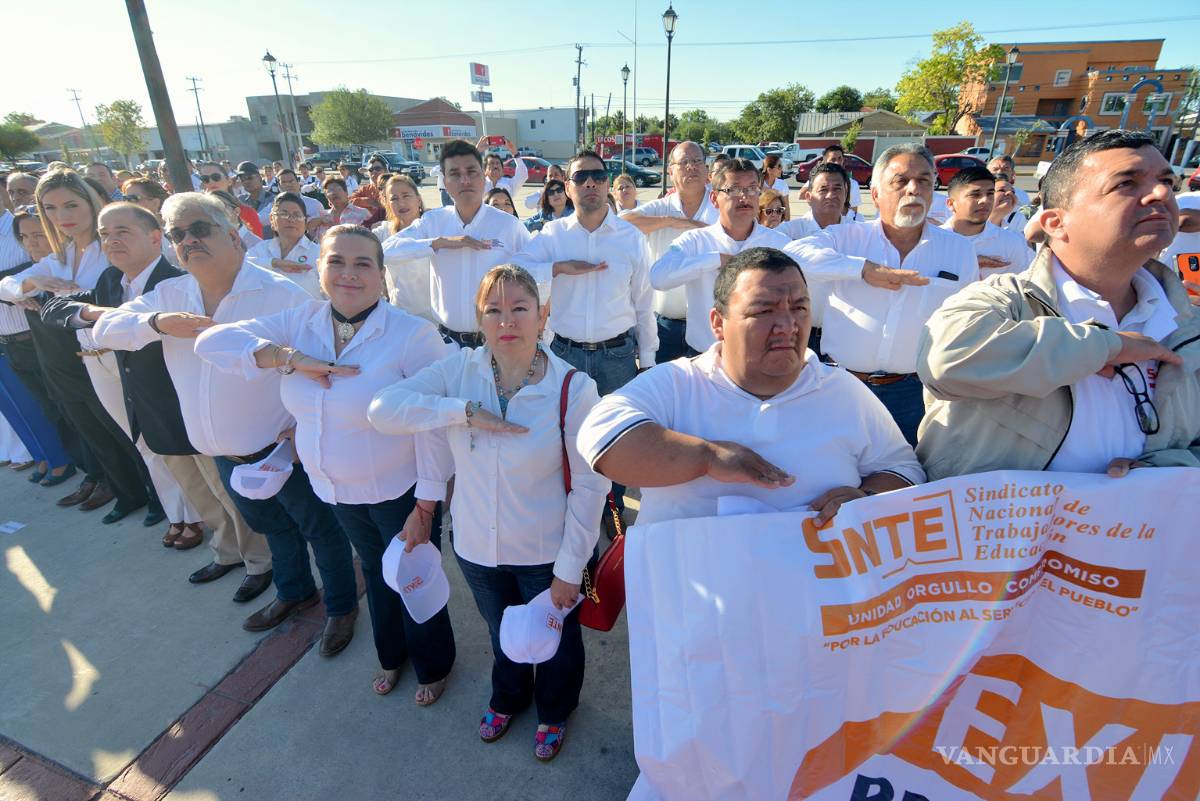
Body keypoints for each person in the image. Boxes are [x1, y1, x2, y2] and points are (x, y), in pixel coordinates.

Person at [195, 224, 457, 702]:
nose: (348, 274)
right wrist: (288, 358)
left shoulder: (411, 335)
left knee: (414, 575)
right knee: (377, 574)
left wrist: (426, 506)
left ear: (381, 275)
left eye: (363, 264)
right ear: (318, 270)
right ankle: (391, 654)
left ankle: (435, 663)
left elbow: (433, 426)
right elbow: (210, 343)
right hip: (334, 489)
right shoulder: (301, 323)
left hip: (399, 490)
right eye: (336, 261)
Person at [92, 192, 356, 646]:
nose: (188, 241)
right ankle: (295, 591)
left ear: (233, 236)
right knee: (272, 527)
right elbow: (103, 329)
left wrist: (302, 428)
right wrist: (157, 324)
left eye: (199, 229)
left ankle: (341, 608)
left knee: (321, 531)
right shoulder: (170, 295)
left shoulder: (281, 293)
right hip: (224, 453)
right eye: (178, 235)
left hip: (282, 451)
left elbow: (321, 363)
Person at [368, 264, 608, 761]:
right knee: (503, 634)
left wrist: (569, 570)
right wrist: (463, 411)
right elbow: (384, 409)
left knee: (556, 641)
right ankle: (509, 697)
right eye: (493, 309)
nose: (507, 320)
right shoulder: (459, 371)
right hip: (477, 545)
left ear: (543, 316)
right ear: (479, 318)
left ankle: (555, 709)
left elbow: (590, 485)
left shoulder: (573, 387)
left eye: (520, 308)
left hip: (547, 551)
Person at [917, 129, 1200, 479]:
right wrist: (1109, 346)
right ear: (1056, 222)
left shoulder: (1186, 324)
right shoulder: (1003, 301)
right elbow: (945, 361)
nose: (1160, 194)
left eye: (1167, 181)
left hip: (1138, 529)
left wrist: (1172, 467)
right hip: (1002, 529)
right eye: (1127, 183)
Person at [578, 247, 924, 528]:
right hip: (692, 604)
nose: (787, 325)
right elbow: (600, 438)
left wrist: (866, 498)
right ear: (718, 323)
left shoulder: (843, 391)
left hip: (807, 602)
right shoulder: (679, 384)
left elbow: (904, 470)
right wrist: (706, 457)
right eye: (764, 311)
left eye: (800, 308)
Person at [42, 203, 219, 552]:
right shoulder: (110, 281)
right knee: (154, 455)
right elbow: (54, 308)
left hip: (179, 399)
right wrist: (101, 314)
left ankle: (214, 532)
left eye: (122, 232)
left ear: (156, 238)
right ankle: (181, 517)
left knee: (209, 482)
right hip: (137, 394)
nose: (112, 241)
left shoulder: (177, 279)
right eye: (105, 234)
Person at [785, 143, 978, 446]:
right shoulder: (847, 237)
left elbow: (967, 320)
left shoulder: (959, 250)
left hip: (913, 394)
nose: (913, 189)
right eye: (900, 181)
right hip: (842, 385)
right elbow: (793, 255)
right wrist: (862, 269)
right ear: (875, 195)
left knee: (901, 480)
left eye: (924, 181)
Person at [0, 169, 150, 520]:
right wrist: (31, 282)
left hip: (119, 355)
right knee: (99, 433)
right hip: (80, 359)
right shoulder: (63, 255)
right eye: (50, 208)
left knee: (135, 438)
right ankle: (131, 494)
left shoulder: (107, 246)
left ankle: (162, 503)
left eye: (70, 205)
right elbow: (6, 285)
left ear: (90, 201)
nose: (62, 217)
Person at [381, 139, 536, 348]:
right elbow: (385, 251)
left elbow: (535, 270)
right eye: (454, 174)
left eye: (472, 172)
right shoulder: (433, 222)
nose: (465, 180)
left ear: (483, 176)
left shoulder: (508, 225)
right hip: (446, 342)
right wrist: (439, 243)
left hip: (495, 341)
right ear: (444, 182)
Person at [651, 158, 790, 357]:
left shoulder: (779, 244)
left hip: (760, 359)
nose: (745, 196)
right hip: (704, 357)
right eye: (734, 189)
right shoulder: (695, 241)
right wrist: (715, 260)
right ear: (715, 199)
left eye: (752, 188)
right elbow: (658, 278)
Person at [620, 141, 718, 363]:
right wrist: (672, 221)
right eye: (684, 162)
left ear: (706, 169)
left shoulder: (720, 204)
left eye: (697, 161)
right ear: (670, 171)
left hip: (711, 328)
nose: (691, 167)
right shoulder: (662, 207)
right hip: (665, 328)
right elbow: (622, 224)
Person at [2, 210, 79, 487]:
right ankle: (66, 461)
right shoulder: (29, 269)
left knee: (69, 411)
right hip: (12, 343)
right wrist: (20, 288)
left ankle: (76, 466)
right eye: (25, 237)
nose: (31, 242)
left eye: (37, 235)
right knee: (45, 410)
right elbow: (8, 284)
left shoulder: (60, 264)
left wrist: (22, 287)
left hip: (44, 343)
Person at [941, 166, 1034, 277]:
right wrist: (970, 263)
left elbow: (1020, 286)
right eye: (975, 195)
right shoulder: (930, 241)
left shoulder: (1013, 242)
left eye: (990, 194)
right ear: (951, 204)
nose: (985, 200)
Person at [372, 176, 435, 323]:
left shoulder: (434, 227)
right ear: (387, 204)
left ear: (418, 200)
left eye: (406, 196)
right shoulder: (383, 233)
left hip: (435, 317)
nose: (401, 203)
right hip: (399, 316)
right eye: (394, 199)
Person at [246, 193, 322, 298]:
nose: (291, 219)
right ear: (272, 219)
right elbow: (241, 267)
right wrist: (274, 263)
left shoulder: (319, 254)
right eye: (283, 214)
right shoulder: (261, 249)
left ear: (305, 222)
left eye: (297, 215)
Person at [777, 162, 851, 240]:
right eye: (823, 190)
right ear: (809, 197)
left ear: (845, 193)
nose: (831, 195)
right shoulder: (787, 234)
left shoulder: (859, 233)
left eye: (837, 189)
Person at [122, 177, 178, 266]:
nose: (127, 204)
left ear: (155, 203)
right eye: (125, 199)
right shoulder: (124, 234)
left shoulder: (176, 230)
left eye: (133, 199)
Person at [810, 145, 861, 216]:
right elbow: (801, 194)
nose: (837, 162)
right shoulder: (817, 180)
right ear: (825, 161)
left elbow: (854, 211)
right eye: (833, 160)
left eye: (840, 159)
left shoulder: (853, 184)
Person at [234, 162, 276, 233]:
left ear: (259, 178)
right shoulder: (240, 201)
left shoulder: (274, 200)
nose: (246, 182)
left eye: (249, 178)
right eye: (243, 179)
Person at [760, 154, 790, 220]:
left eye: (781, 166)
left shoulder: (782, 184)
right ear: (769, 170)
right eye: (779, 166)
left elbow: (786, 207)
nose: (781, 169)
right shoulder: (757, 184)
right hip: (761, 223)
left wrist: (788, 225)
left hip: (777, 222)